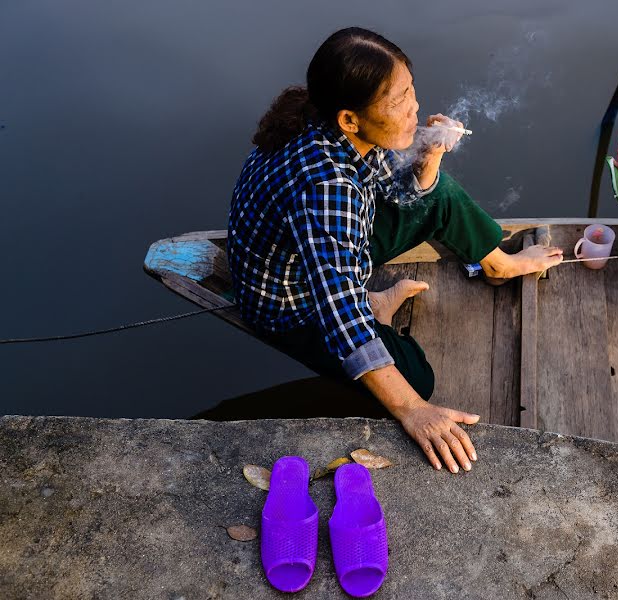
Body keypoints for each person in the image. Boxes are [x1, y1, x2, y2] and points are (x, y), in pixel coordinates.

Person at [228, 27, 562, 475]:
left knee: (437, 191)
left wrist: (427, 158)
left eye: (411, 90)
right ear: (350, 118)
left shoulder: (336, 121)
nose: (416, 108)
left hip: (330, 247)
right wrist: (412, 410)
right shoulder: (327, 187)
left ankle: (498, 263)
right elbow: (341, 318)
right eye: (400, 100)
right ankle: (377, 307)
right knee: (417, 379)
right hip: (292, 302)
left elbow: (395, 190)